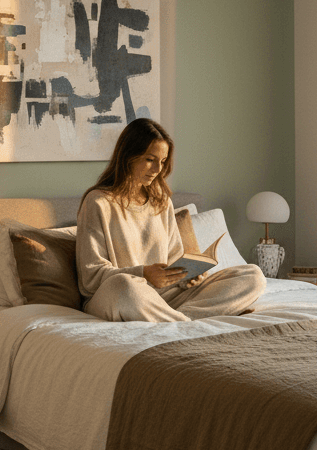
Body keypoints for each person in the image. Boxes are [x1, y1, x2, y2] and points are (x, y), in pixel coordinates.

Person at [76, 118, 265, 322]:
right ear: (128, 156)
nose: (158, 169)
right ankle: (188, 321)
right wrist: (143, 273)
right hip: (121, 296)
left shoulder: (161, 201)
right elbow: (90, 276)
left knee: (253, 276)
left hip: (164, 295)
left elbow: (174, 258)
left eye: (163, 161)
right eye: (150, 159)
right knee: (124, 286)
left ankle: (179, 320)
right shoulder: (98, 202)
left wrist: (188, 276)